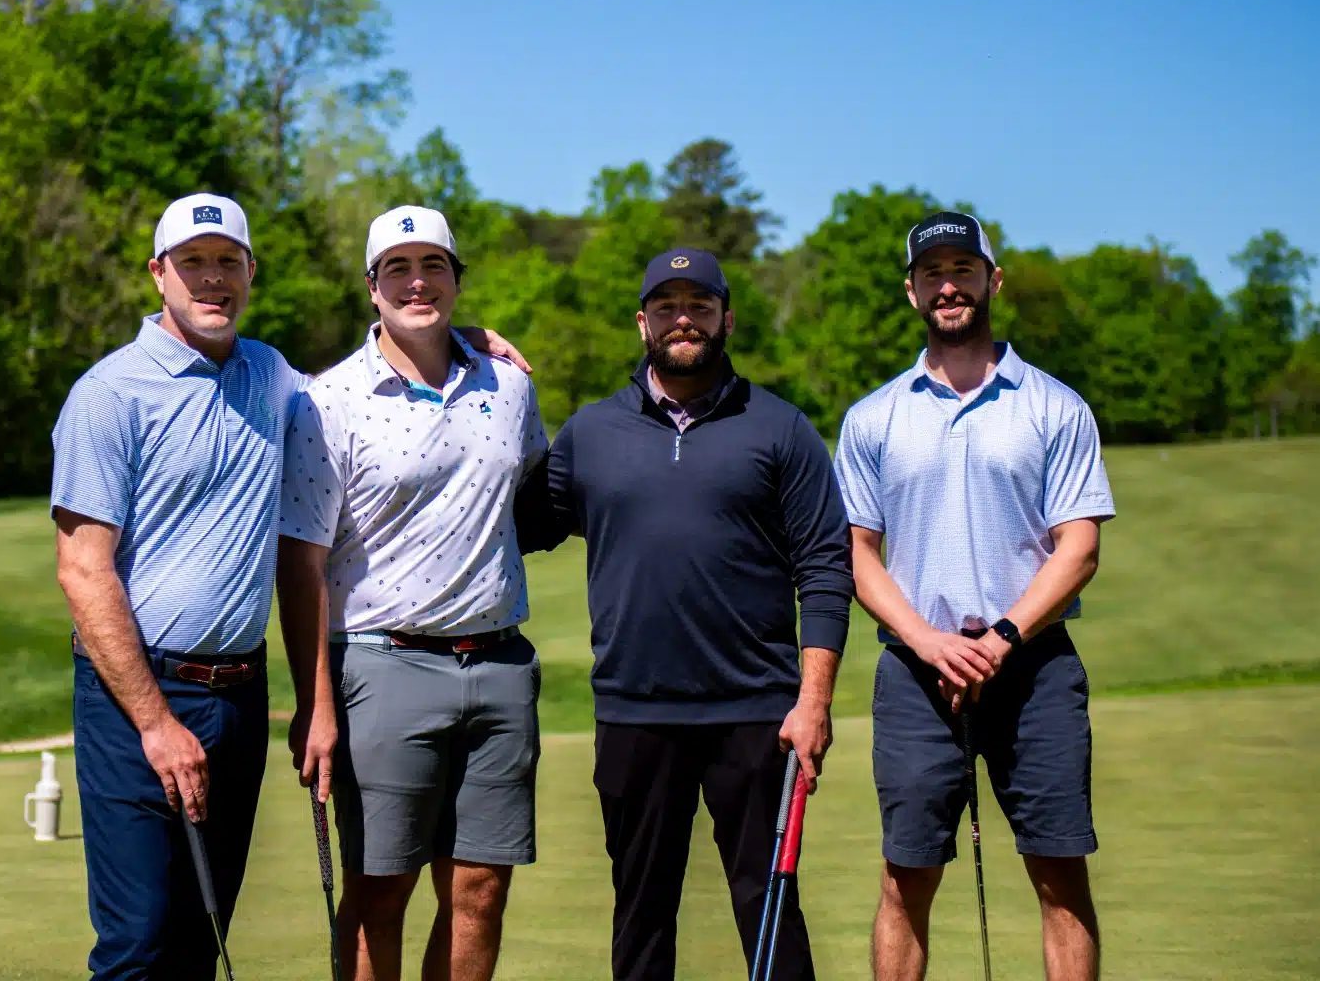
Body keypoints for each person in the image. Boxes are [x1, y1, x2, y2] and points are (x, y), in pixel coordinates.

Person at [52, 193, 528, 980]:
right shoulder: (110, 394)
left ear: (249, 271)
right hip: (140, 696)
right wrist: (155, 723)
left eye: (227, 262)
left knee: (200, 938)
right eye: (193, 262)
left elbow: (378, 379)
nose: (212, 280)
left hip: (237, 694)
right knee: (138, 943)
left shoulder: (271, 375)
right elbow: (82, 570)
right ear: (157, 273)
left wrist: (455, 336)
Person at [514, 247, 854, 981]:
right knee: (640, 911)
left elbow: (826, 567)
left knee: (768, 906)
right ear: (643, 323)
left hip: (757, 713)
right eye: (667, 307)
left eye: (699, 305)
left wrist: (814, 701)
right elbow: (511, 524)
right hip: (635, 713)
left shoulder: (781, 428)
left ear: (726, 317)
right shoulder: (591, 434)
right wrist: (476, 361)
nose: (683, 320)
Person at [833, 211, 1116, 981]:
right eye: (933, 274)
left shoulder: (1054, 406)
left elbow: (1080, 547)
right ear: (912, 290)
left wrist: (999, 639)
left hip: (1033, 667)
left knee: (1060, 875)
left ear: (993, 280)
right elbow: (858, 556)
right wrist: (929, 642)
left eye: (963, 270)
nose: (948, 285)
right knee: (906, 876)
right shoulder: (873, 418)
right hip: (916, 675)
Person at [276, 205, 549, 981]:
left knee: (481, 891)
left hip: (500, 667)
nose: (416, 282)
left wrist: (487, 348)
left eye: (433, 266)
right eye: (397, 268)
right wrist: (316, 703)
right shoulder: (327, 402)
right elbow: (301, 564)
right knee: (378, 892)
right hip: (382, 666)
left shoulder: (509, 386)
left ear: (457, 280)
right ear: (372, 287)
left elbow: (529, 493)